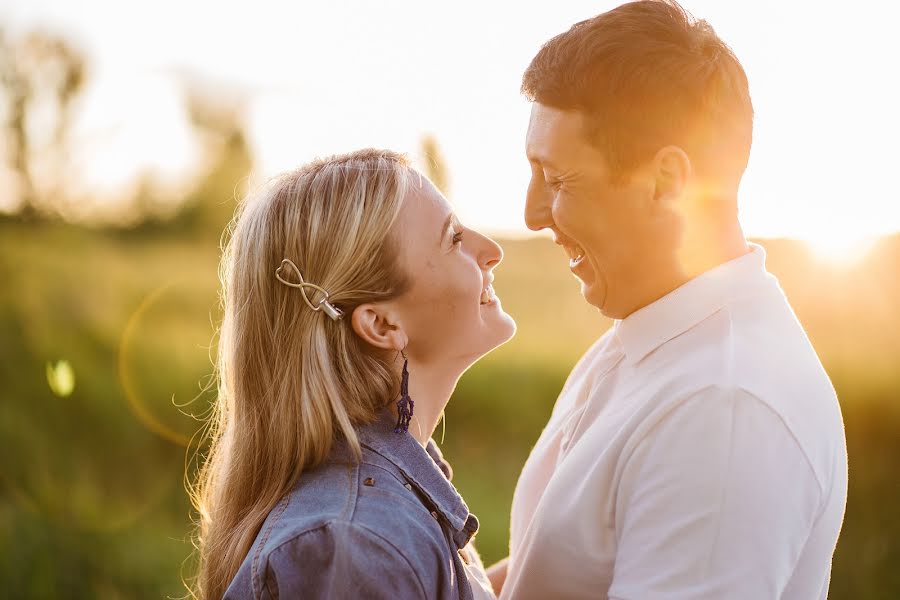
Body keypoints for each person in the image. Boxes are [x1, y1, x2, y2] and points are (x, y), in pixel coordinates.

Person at [487, 1, 847, 598]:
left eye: (558, 180)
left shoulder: (724, 409)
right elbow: (548, 574)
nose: (533, 213)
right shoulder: (645, 337)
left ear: (666, 180)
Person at [190, 148, 514, 599]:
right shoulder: (354, 547)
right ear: (381, 324)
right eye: (454, 239)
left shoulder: (390, 491)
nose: (492, 251)